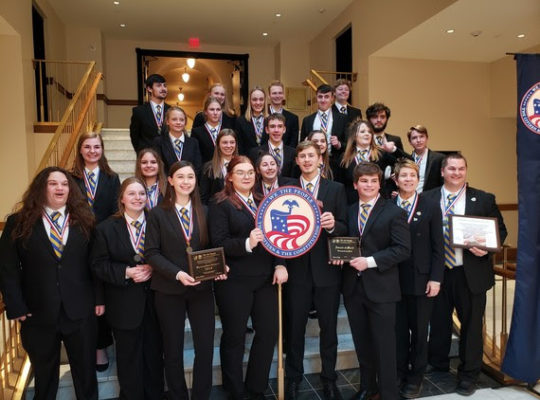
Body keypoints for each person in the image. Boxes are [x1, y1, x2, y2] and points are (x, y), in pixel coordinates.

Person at [0, 167, 99, 400]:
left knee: (86, 375)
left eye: (64, 184)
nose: (60, 188)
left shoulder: (85, 220)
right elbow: (7, 268)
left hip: (80, 311)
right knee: (44, 379)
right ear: (41, 188)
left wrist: (99, 299)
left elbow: (95, 264)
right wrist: (15, 305)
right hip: (37, 313)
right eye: (53, 183)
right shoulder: (18, 222)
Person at [425, 153, 507, 396]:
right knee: (438, 322)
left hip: (469, 273)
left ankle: (469, 374)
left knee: (471, 326)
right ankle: (438, 363)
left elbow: (500, 230)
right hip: (437, 272)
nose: (457, 173)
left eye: (461, 168)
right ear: (442, 171)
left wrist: (487, 248)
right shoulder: (427, 198)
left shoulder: (483, 198)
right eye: (452, 168)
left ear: (466, 171)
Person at [208, 156, 288, 399]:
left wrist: (280, 263)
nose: (246, 176)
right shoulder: (220, 203)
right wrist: (247, 243)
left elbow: (278, 237)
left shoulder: (264, 200)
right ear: (230, 177)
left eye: (250, 172)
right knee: (234, 336)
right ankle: (235, 390)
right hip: (235, 282)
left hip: (265, 279)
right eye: (240, 172)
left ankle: (256, 386)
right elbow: (218, 242)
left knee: (268, 333)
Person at [145, 161, 226, 400]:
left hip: (202, 289)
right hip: (169, 289)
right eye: (180, 177)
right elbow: (151, 253)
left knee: (205, 348)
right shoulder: (157, 213)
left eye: (190, 177)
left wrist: (220, 265)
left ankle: (201, 395)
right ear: (170, 180)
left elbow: (213, 246)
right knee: (172, 349)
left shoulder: (206, 211)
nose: (186, 181)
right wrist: (177, 274)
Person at [342, 162, 410, 400]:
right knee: (362, 344)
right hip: (353, 288)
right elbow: (346, 244)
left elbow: (403, 249)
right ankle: (368, 388)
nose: (369, 185)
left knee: (384, 346)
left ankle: (389, 393)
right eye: (364, 181)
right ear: (355, 184)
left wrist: (370, 262)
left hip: (382, 289)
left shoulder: (394, 212)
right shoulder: (350, 210)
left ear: (380, 184)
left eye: (373, 181)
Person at [285, 141, 347, 400]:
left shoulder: (336, 189)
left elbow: (345, 226)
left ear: (321, 159)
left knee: (329, 330)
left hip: (327, 270)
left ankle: (329, 379)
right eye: (302, 156)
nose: (307, 160)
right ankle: (293, 379)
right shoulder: (287, 189)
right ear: (297, 161)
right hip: (296, 270)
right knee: (294, 330)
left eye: (312, 155)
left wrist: (333, 226)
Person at [91, 177, 164, 399]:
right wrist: (126, 272)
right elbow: (98, 265)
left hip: (157, 299)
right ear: (121, 198)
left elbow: (170, 254)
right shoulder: (105, 228)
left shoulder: (159, 221)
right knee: (128, 358)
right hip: (123, 303)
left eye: (142, 193)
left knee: (154, 355)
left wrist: (155, 266)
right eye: (131, 193)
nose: (137, 198)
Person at [393, 160, 444, 399]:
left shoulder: (431, 206)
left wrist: (436, 278)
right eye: (403, 176)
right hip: (393, 279)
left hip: (421, 280)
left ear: (418, 179)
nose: (408, 179)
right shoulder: (388, 205)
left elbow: (438, 247)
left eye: (412, 176)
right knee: (398, 332)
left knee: (420, 332)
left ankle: (416, 377)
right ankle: (398, 373)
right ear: (396, 180)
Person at [71, 131, 120, 371]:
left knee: (102, 296)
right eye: (87, 147)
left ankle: (101, 347)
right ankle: (83, 345)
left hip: (102, 242)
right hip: (76, 243)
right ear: (80, 150)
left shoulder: (112, 177)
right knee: (82, 296)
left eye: (96, 147)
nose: (92, 151)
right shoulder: (70, 179)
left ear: (102, 150)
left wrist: (104, 235)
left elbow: (115, 210)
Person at [339, 120, 409, 203]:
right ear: (354, 136)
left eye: (369, 132)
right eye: (362, 131)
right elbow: (340, 184)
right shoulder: (344, 157)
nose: (367, 134)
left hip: (378, 203)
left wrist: (394, 150)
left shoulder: (381, 154)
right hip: (353, 203)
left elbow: (408, 162)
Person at [153, 106, 202, 177]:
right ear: (167, 121)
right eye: (174, 119)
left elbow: (197, 166)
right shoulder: (159, 142)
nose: (178, 122)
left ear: (185, 122)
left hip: (188, 182)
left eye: (181, 120)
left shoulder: (193, 142)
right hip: (166, 182)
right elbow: (158, 166)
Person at [130, 74, 170, 153]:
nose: (163, 88)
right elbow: (134, 136)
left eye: (165, 86)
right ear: (149, 89)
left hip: (167, 156)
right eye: (158, 86)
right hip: (148, 155)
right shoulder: (139, 111)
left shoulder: (171, 110)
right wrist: (142, 154)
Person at [249, 113, 296, 178]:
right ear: (267, 130)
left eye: (280, 126)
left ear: (284, 129)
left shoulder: (293, 153)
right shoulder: (255, 153)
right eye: (272, 126)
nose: (276, 130)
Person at [200, 129, 239, 204]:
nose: (229, 146)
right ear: (218, 145)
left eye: (232, 142)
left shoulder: (242, 165)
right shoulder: (209, 167)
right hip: (217, 208)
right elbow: (204, 198)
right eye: (225, 142)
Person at [407, 125, 444, 193]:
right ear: (410, 142)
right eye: (414, 138)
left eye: (421, 136)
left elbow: (443, 183)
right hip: (410, 197)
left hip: (431, 197)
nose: (418, 140)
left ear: (427, 138)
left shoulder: (439, 158)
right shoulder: (406, 160)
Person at [191, 96, 226, 164]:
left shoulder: (227, 131)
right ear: (205, 112)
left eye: (218, 109)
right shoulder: (197, 132)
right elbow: (195, 156)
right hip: (205, 168)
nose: (215, 113)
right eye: (212, 109)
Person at [235, 87, 268, 155]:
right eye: (254, 99)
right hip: (248, 159)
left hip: (267, 159)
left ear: (265, 101)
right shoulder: (240, 121)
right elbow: (240, 146)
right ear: (250, 101)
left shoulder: (271, 120)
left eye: (261, 99)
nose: (258, 102)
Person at [267, 80, 300, 147]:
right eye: (274, 93)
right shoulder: (263, 116)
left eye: (280, 93)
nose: (277, 96)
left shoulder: (293, 118)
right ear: (269, 96)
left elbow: (293, 144)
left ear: (283, 95)